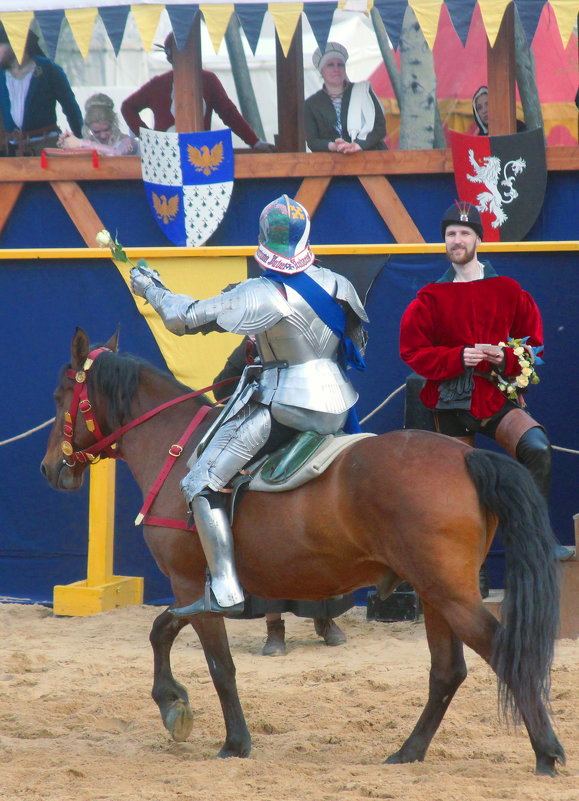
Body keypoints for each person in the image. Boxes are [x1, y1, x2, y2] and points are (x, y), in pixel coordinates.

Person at [130, 194, 369, 616]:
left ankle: (224, 587)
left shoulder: (259, 293)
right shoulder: (338, 283)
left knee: (200, 481)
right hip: (339, 399)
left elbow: (183, 318)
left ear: (263, 239)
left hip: (287, 404)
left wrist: (151, 288)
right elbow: (355, 346)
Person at [399, 200, 573, 562]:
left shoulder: (508, 290)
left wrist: (504, 356)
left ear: (478, 239)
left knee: (536, 446)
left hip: (494, 397)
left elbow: (533, 348)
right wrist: (457, 357)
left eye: (464, 233)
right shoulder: (429, 298)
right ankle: (468, 571)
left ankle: (534, 543)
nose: (457, 240)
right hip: (448, 403)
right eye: (450, 234)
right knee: (462, 487)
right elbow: (412, 352)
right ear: (444, 241)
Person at [212, 338, 350, 654]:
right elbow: (221, 390)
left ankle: (325, 618)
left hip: (312, 433)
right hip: (266, 436)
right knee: (262, 528)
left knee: (330, 518)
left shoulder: (304, 343)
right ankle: (275, 628)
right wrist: (249, 376)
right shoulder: (248, 349)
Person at [121, 33, 274, 152]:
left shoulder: (208, 80)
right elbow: (127, 107)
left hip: (200, 154)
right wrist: (149, 139)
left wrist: (254, 142)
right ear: (170, 56)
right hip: (165, 154)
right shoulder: (158, 84)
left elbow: (229, 114)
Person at [0, 25, 82, 156]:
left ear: (15, 47)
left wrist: (79, 139)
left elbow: (70, 107)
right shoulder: (1, 75)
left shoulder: (48, 70)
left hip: (45, 147)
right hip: (11, 150)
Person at [304, 42, 386, 154]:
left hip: (369, 159)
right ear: (321, 71)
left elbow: (380, 128)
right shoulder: (312, 104)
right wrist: (334, 146)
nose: (336, 69)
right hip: (332, 165)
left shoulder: (362, 92)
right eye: (330, 65)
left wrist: (358, 145)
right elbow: (312, 141)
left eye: (340, 65)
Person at [58, 93, 139, 156]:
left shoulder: (128, 142)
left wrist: (80, 143)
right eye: (96, 132)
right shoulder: (88, 141)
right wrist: (67, 144)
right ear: (88, 128)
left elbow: (117, 154)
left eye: (106, 129)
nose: (103, 136)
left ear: (113, 123)